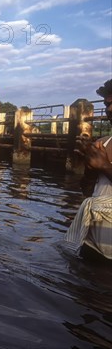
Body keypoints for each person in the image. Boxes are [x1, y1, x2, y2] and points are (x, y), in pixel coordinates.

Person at [65, 80, 112, 260]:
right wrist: (90, 171)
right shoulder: (104, 143)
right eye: (107, 104)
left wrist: (105, 166)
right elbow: (87, 192)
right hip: (93, 243)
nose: (109, 109)